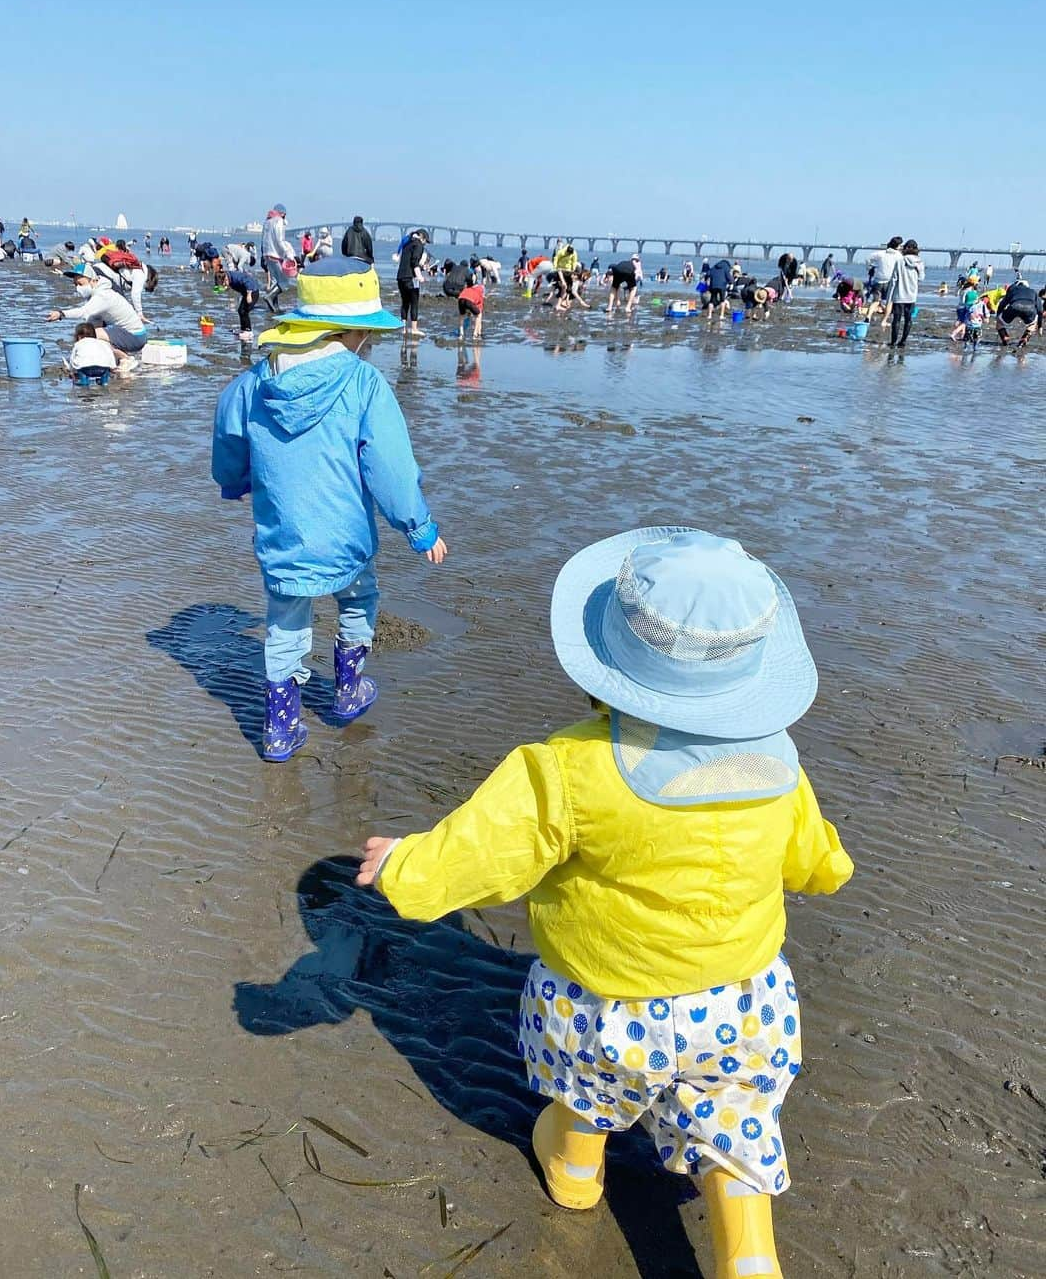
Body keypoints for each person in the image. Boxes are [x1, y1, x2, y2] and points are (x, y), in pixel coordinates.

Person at [358, 527, 853, 1279]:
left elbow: (483, 853)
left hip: (604, 1007)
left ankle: (576, 1172)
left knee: (585, 1095)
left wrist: (405, 867)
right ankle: (749, 1258)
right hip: (743, 1004)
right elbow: (813, 856)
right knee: (737, 1133)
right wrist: (829, 868)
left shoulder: (567, 767)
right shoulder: (778, 762)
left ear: (607, 665)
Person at [211, 258, 448, 760]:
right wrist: (419, 527)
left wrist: (236, 481)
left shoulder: (256, 381)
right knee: (359, 599)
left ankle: (280, 727)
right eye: (370, 337)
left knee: (285, 621)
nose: (372, 345)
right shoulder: (364, 383)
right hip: (348, 540)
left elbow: (228, 430)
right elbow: (391, 468)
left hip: (283, 537)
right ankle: (347, 689)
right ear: (353, 333)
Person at [45, 263, 150, 362]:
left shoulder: (102, 296)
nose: (78, 288)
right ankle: (116, 359)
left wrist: (61, 314)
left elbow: (83, 312)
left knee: (90, 334)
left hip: (135, 337)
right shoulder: (97, 294)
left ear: (93, 281)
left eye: (81, 284)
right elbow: (91, 320)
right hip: (127, 334)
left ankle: (126, 359)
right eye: (75, 284)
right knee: (92, 333)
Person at [888, 240, 925, 347]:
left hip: (899, 295)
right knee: (908, 319)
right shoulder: (920, 262)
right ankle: (903, 341)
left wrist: (889, 299)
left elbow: (894, 280)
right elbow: (921, 278)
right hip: (912, 296)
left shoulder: (900, 261)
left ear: (905, 248)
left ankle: (893, 342)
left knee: (896, 320)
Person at [260, 204, 296, 312]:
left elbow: (263, 240)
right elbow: (280, 240)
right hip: (276, 255)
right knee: (284, 282)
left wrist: (263, 255)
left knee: (276, 281)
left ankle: (274, 307)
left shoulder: (267, 221)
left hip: (267, 255)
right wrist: (288, 255)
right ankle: (269, 297)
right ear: (283, 213)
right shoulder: (278, 221)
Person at [396, 228, 428, 339]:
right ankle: (414, 329)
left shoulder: (407, 243)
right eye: (426, 241)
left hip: (400, 277)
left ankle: (403, 328)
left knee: (405, 302)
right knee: (414, 302)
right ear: (422, 237)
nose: (425, 243)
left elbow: (409, 261)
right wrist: (420, 276)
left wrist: (421, 267)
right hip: (411, 278)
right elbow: (414, 262)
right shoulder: (418, 244)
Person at [995, 276, 1042, 347]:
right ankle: (1024, 339)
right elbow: (1040, 309)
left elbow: (1002, 304)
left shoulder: (1013, 290)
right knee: (1032, 324)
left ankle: (1005, 337)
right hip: (1030, 309)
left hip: (1014, 306)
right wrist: (1040, 326)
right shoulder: (1033, 291)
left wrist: (998, 316)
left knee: (999, 323)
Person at [864, 238, 903, 322]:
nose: (901, 247)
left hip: (878, 281)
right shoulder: (899, 256)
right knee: (889, 302)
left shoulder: (880, 254)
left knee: (875, 301)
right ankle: (884, 320)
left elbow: (867, 259)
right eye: (900, 245)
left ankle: (868, 316)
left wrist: (869, 268)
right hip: (890, 281)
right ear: (897, 246)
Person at [219, 265, 261, 340]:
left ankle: (249, 332)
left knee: (244, 311)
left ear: (225, 278)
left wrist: (248, 295)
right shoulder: (228, 278)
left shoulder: (235, 277)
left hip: (252, 292)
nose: (224, 285)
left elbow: (248, 280)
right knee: (240, 311)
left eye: (224, 283)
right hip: (246, 293)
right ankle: (243, 329)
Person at [457, 275, 485, 340]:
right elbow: (479, 310)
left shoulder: (467, 288)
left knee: (461, 316)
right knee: (478, 315)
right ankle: (475, 334)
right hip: (469, 300)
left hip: (461, 299)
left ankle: (461, 334)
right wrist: (479, 331)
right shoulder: (480, 291)